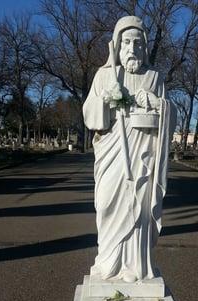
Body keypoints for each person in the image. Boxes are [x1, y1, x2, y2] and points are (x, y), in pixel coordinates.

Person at [83, 16, 176, 282]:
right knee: (107, 205)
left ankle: (136, 267)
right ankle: (109, 263)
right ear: (117, 45)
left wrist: (158, 103)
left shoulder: (155, 77)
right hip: (112, 156)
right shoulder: (105, 75)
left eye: (138, 43)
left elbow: (170, 115)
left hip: (143, 158)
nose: (132, 48)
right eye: (126, 42)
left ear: (145, 47)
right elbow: (91, 117)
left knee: (139, 210)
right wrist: (105, 99)